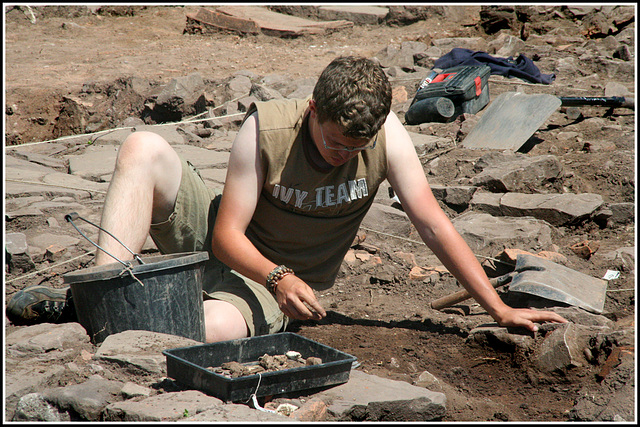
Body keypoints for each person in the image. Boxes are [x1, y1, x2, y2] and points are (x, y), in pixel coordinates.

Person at [7, 56, 568, 340]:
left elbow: (433, 225)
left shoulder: (388, 139)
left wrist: (497, 308)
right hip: (230, 244)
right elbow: (225, 236)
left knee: (214, 330)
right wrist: (276, 273)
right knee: (144, 146)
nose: (342, 155)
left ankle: (116, 324)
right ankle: (101, 299)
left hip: (274, 289)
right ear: (312, 113)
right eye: (332, 142)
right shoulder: (266, 131)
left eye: (357, 148)